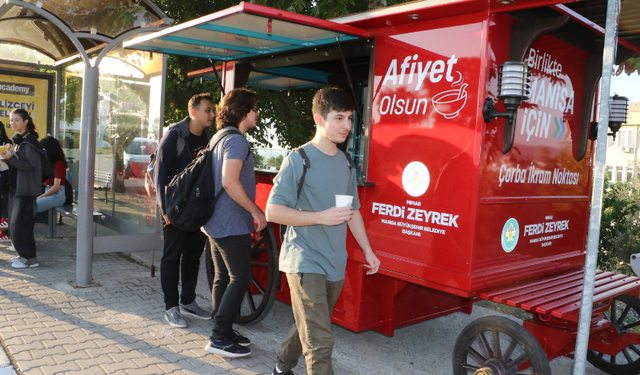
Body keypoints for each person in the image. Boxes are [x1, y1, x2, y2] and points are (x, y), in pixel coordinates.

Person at [266, 87, 381, 375]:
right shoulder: (298, 159)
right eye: (339, 118)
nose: (346, 126)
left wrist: (369, 251)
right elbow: (273, 211)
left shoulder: (346, 162)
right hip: (304, 260)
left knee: (311, 323)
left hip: (334, 263)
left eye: (350, 119)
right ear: (319, 119)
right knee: (320, 341)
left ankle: (282, 365)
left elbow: (352, 212)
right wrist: (321, 217)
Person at [201, 88, 266, 358]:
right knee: (240, 278)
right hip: (231, 222)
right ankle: (218, 337)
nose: (257, 113)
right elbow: (229, 181)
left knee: (222, 277)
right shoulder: (237, 140)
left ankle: (223, 330)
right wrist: (256, 211)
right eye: (254, 108)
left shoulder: (219, 137)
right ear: (243, 111)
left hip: (215, 220)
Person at [153, 93, 214, 327]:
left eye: (212, 110)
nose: (212, 114)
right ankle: (171, 307)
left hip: (196, 207)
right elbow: (159, 172)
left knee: (192, 256)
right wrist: (164, 208)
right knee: (171, 257)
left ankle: (188, 301)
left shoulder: (208, 137)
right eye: (207, 110)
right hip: (174, 207)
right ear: (193, 112)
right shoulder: (174, 136)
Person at [3, 109, 43, 268]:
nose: (13, 123)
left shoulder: (29, 142)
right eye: (11, 120)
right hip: (19, 187)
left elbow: (30, 165)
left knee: (21, 225)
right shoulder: (21, 141)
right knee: (16, 224)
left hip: (26, 189)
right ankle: (23, 256)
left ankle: (30, 259)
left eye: (17, 120)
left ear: (26, 121)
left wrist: (11, 158)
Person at [36, 136, 67, 213]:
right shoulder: (51, 163)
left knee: (33, 206)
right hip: (50, 193)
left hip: (57, 196)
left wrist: (41, 196)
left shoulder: (59, 163)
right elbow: (48, 183)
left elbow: (56, 187)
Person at [0, 121, 12, 240]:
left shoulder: (7, 143)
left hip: (4, 175)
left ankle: (4, 233)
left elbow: (11, 159)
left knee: (4, 204)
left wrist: (6, 159)